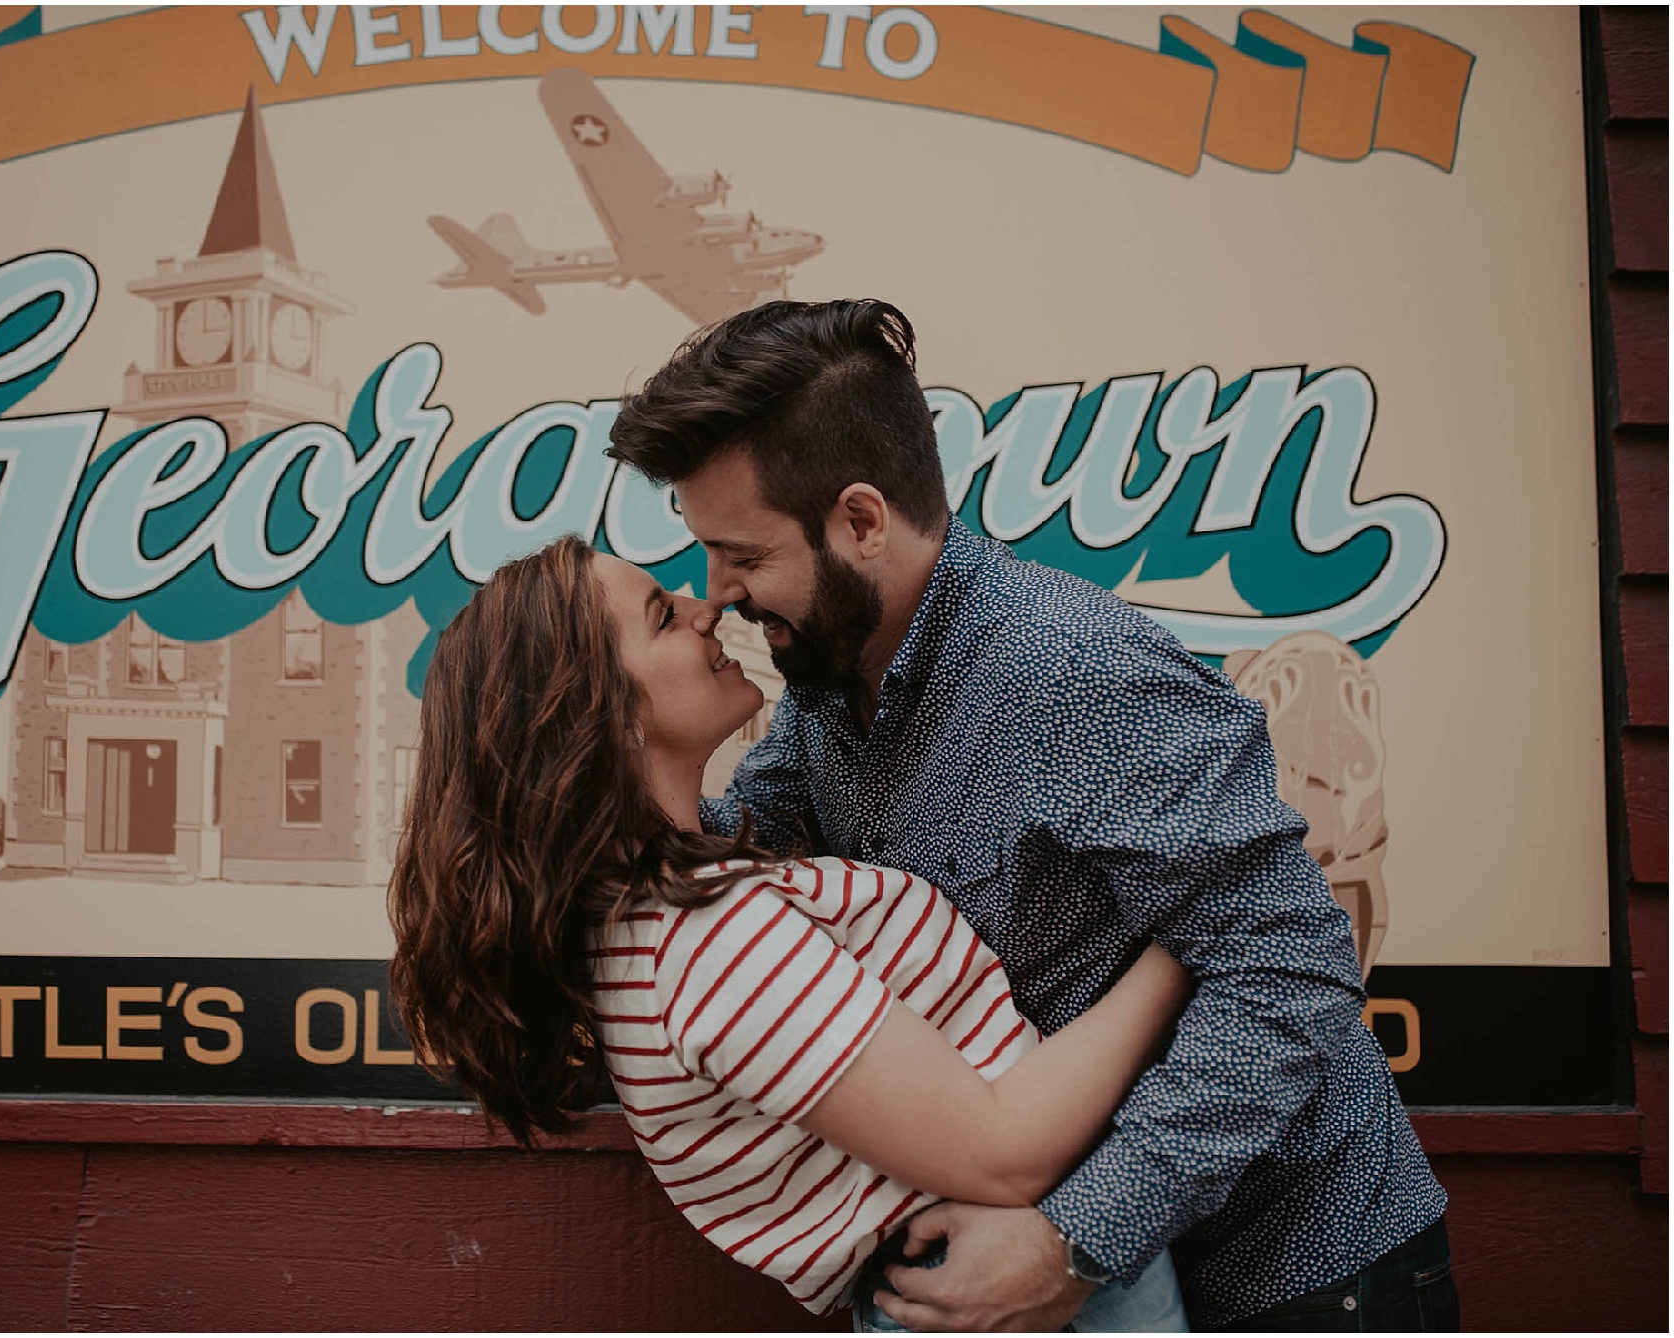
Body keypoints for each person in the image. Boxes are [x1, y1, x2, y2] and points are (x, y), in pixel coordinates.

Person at [603, 298, 1456, 1332]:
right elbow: (746, 853)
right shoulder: (828, 684)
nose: (718, 591)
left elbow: (1286, 963)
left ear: (861, 522)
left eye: (740, 555)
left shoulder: (1072, 673)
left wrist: (1076, 1237)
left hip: (1298, 1278)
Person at [387, 535, 1193, 1329]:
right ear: (604, 714)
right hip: (1011, 1274)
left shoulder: (658, 913)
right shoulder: (706, 942)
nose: (709, 608)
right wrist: (1179, 948)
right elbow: (1005, 1151)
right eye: (663, 617)